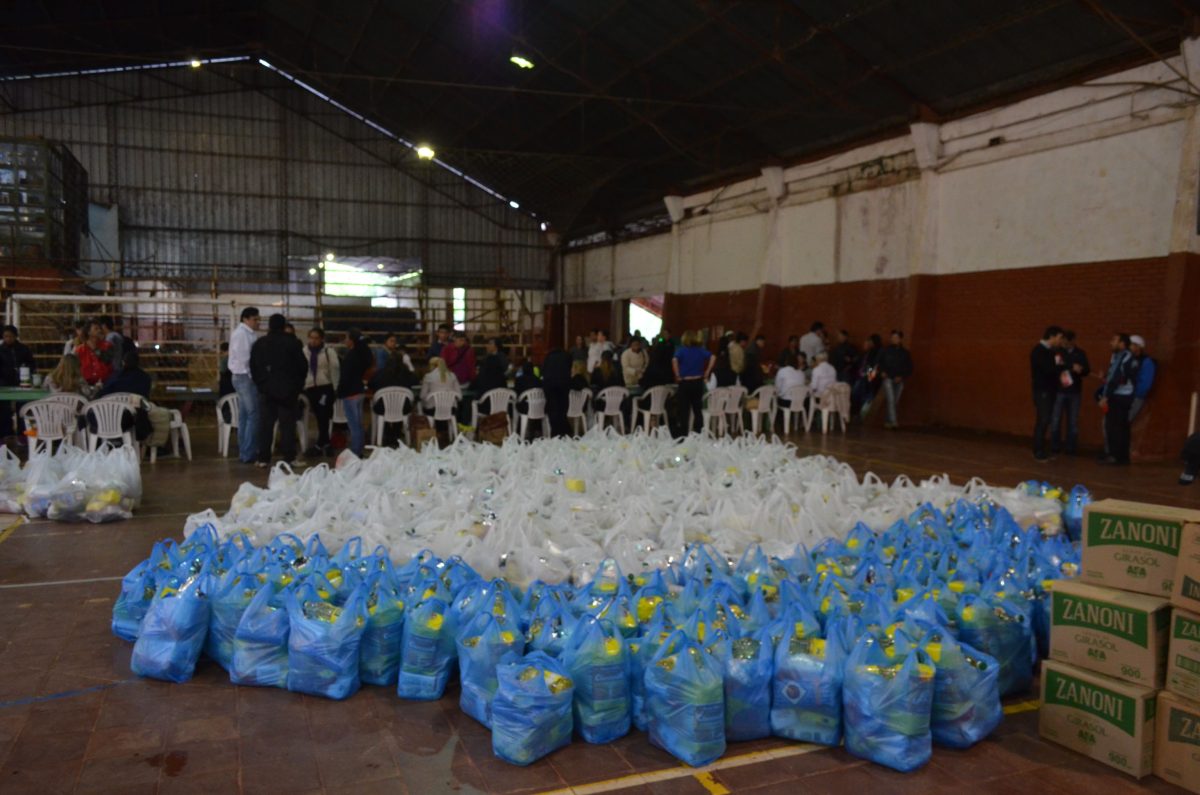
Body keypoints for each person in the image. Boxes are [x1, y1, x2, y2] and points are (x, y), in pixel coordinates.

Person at [250, 314, 307, 468]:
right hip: (288, 391)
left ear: (269, 325)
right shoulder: (293, 343)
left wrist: (262, 385)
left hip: (267, 390)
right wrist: (297, 387)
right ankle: (289, 457)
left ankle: (263, 458)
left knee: (266, 425)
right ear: (283, 326)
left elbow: (254, 367)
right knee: (287, 426)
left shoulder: (260, 343)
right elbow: (302, 367)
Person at [228, 307, 261, 464]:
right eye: (255, 319)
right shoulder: (242, 334)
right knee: (253, 415)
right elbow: (244, 359)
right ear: (245, 319)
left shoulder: (247, 333)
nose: (258, 322)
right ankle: (248, 452)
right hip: (244, 377)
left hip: (243, 377)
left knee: (245, 416)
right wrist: (253, 377)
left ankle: (245, 451)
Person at [1049, 330, 1089, 456]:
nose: (1065, 344)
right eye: (1063, 342)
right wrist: (1072, 367)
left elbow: (1087, 370)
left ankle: (1071, 448)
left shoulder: (1080, 353)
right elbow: (1057, 367)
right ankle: (1055, 446)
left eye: (1067, 342)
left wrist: (1081, 370)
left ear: (1073, 341)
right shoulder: (1058, 352)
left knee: (1072, 421)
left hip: (1075, 391)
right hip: (1059, 390)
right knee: (1056, 419)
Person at [1098, 333, 1135, 466]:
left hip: (1121, 396)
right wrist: (1105, 377)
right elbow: (1112, 376)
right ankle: (1119, 455)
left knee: (1115, 426)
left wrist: (1106, 396)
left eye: (1114, 340)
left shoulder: (1126, 357)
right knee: (1117, 426)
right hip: (1117, 395)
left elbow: (1117, 378)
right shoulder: (1116, 356)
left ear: (1122, 344)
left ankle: (1115, 456)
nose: (1111, 343)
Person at [1030, 326, 1066, 462]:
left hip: (1051, 390)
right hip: (1042, 391)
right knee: (1043, 419)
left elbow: (1059, 367)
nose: (1060, 341)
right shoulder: (1038, 351)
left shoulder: (1053, 352)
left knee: (1047, 419)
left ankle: (1042, 448)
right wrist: (1061, 367)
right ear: (1051, 336)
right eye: (1059, 338)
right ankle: (1038, 450)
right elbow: (1049, 369)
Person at [303, 328, 341, 456]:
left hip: (325, 386)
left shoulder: (328, 351)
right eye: (311, 338)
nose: (313, 341)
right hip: (310, 387)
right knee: (319, 415)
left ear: (321, 339)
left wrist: (335, 386)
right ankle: (326, 443)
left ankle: (321, 443)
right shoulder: (304, 351)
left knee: (324, 414)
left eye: (316, 338)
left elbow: (335, 368)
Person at [673, 330, 713, 434]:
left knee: (684, 410)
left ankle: (683, 434)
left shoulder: (681, 350)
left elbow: (674, 360)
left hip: (685, 382)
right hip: (698, 382)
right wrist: (707, 371)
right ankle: (698, 432)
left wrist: (677, 375)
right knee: (697, 409)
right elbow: (713, 357)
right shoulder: (700, 350)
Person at [876, 330, 913, 430]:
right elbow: (878, 363)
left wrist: (901, 376)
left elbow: (909, 367)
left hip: (899, 380)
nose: (893, 339)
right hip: (888, 378)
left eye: (896, 337)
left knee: (894, 401)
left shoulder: (905, 353)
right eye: (892, 337)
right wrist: (882, 372)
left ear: (900, 339)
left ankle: (888, 421)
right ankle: (894, 421)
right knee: (891, 399)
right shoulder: (885, 351)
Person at [541, 347, 572, 437]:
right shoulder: (566, 356)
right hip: (563, 384)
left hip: (550, 385)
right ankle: (563, 433)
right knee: (562, 410)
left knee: (553, 410)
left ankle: (554, 434)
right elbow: (569, 368)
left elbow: (543, 370)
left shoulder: (549, 357)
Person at [75, 320, 114, 388]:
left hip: (106, 385)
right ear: (88, 332)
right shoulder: (79, 350)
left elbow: (108, 361)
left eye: (100, 328)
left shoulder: (107, 346)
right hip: (86, 386)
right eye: (96, 329)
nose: (99, 331)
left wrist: (96, 348)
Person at [1128, 335, 1156, 422]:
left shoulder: (1147, 362)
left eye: (1131, 344)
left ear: (1138, 346)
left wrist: (1134, 393)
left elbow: (1145, 384)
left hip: (1134, 397)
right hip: (1123, 396)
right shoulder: (1128, 360)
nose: (1129, 347)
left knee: (1120, 423)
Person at [853, 334, 883, 415]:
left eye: (870, 342)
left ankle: (860, 412)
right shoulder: (868, 352)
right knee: (858, 392)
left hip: (869, 378)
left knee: (863, 393)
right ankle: (858, 412)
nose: (869, 344)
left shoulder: (877, 352)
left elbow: (873, 366)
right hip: (865, 376)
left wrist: (868, 376)